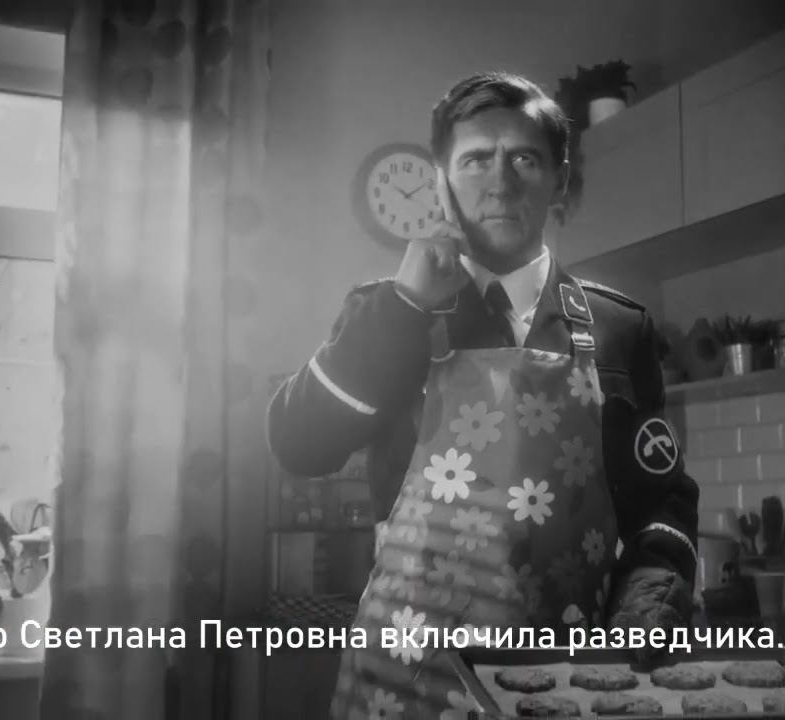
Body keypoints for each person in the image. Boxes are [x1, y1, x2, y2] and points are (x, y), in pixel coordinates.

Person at [266, 70, 700, 719]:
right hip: (403, 684)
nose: (500, 182)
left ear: (560, 180)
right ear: (442, 181)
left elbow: (660, 498)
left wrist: (654, 586)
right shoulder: (387, 312)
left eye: (524, 159)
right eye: (475, 160)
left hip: (566, 678)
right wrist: (405, 306)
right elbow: (300, 445)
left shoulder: (620, 328)